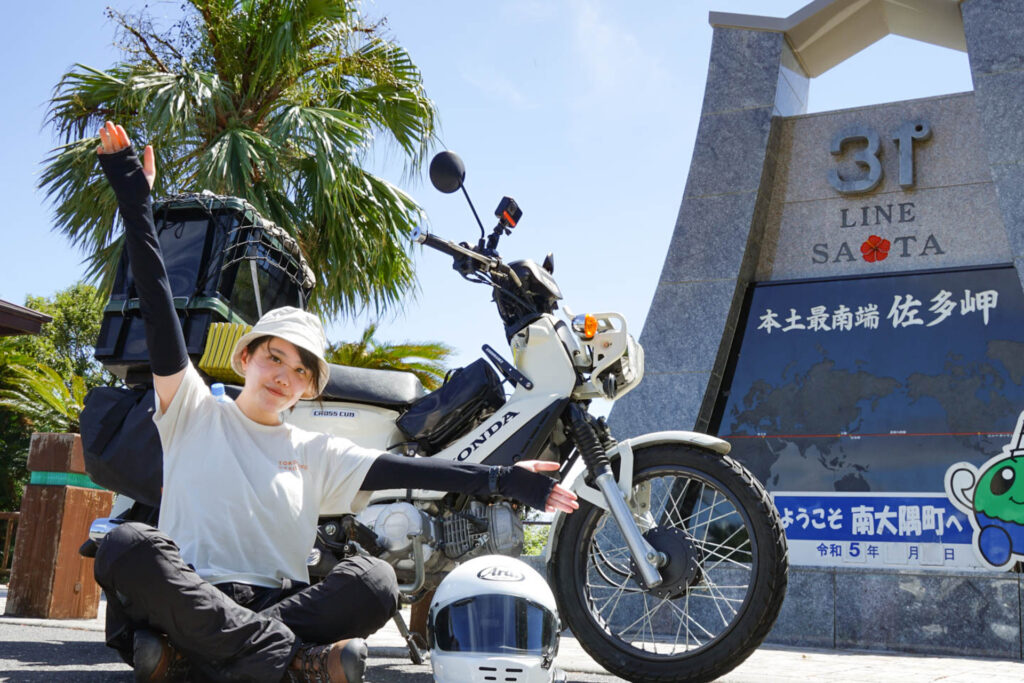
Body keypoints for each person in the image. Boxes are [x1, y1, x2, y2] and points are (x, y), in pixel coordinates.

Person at [90, 122, 578, 683]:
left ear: (309, 388)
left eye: (300, 370)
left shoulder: (314, 449)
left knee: (374, 581)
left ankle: (192, 660)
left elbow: (408, 470)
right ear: (246, 357)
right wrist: (134, 196)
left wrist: (503, 480)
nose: (284, 376)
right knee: (126, 545)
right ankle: (295, 662)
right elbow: (157, 305)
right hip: (195, 590)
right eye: (275, 358)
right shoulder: (193, 409)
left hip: (269, 601)